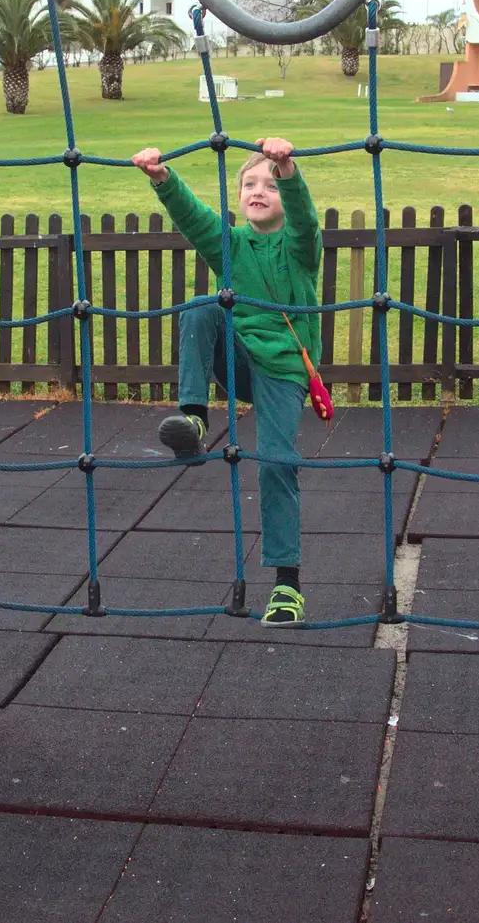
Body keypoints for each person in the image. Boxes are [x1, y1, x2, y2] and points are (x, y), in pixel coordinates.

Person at [131, 137, 322, 626]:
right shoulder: (231, 247)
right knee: (201, 306)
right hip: (237, 360)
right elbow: (195, 220)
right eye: (249, 184)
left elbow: (304, 220)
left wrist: (287, 170)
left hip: (282, 371)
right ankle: (194, 420)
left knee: (277, 463)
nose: (258, 191)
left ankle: (287, 585)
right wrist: (161, 178)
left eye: (268, 186)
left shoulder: (299, 249)